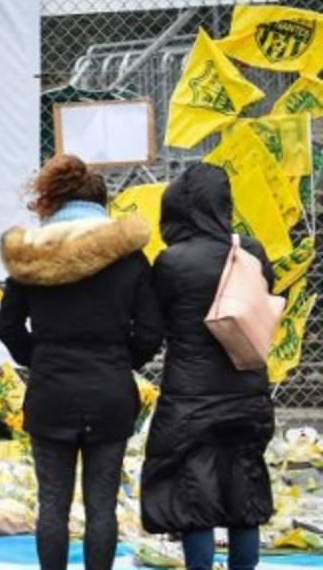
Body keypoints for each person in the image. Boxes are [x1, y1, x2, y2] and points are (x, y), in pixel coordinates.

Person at [0, 154, 162, 570]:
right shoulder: (128, 256)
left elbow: (7, 326)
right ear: (102, 202)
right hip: (110, 392)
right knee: (102, 505)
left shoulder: (31, 257)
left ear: (52, 200)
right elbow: (151, 330)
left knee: (52, 503)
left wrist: (39, 358)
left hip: (50, 391)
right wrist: (121, 360)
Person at [140, 163, 275, 570]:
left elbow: (154, 322)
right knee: (244, 488)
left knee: (193, 490)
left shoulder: (172, 261)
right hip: (248, 386)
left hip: (189, 395)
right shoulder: (250, 252)